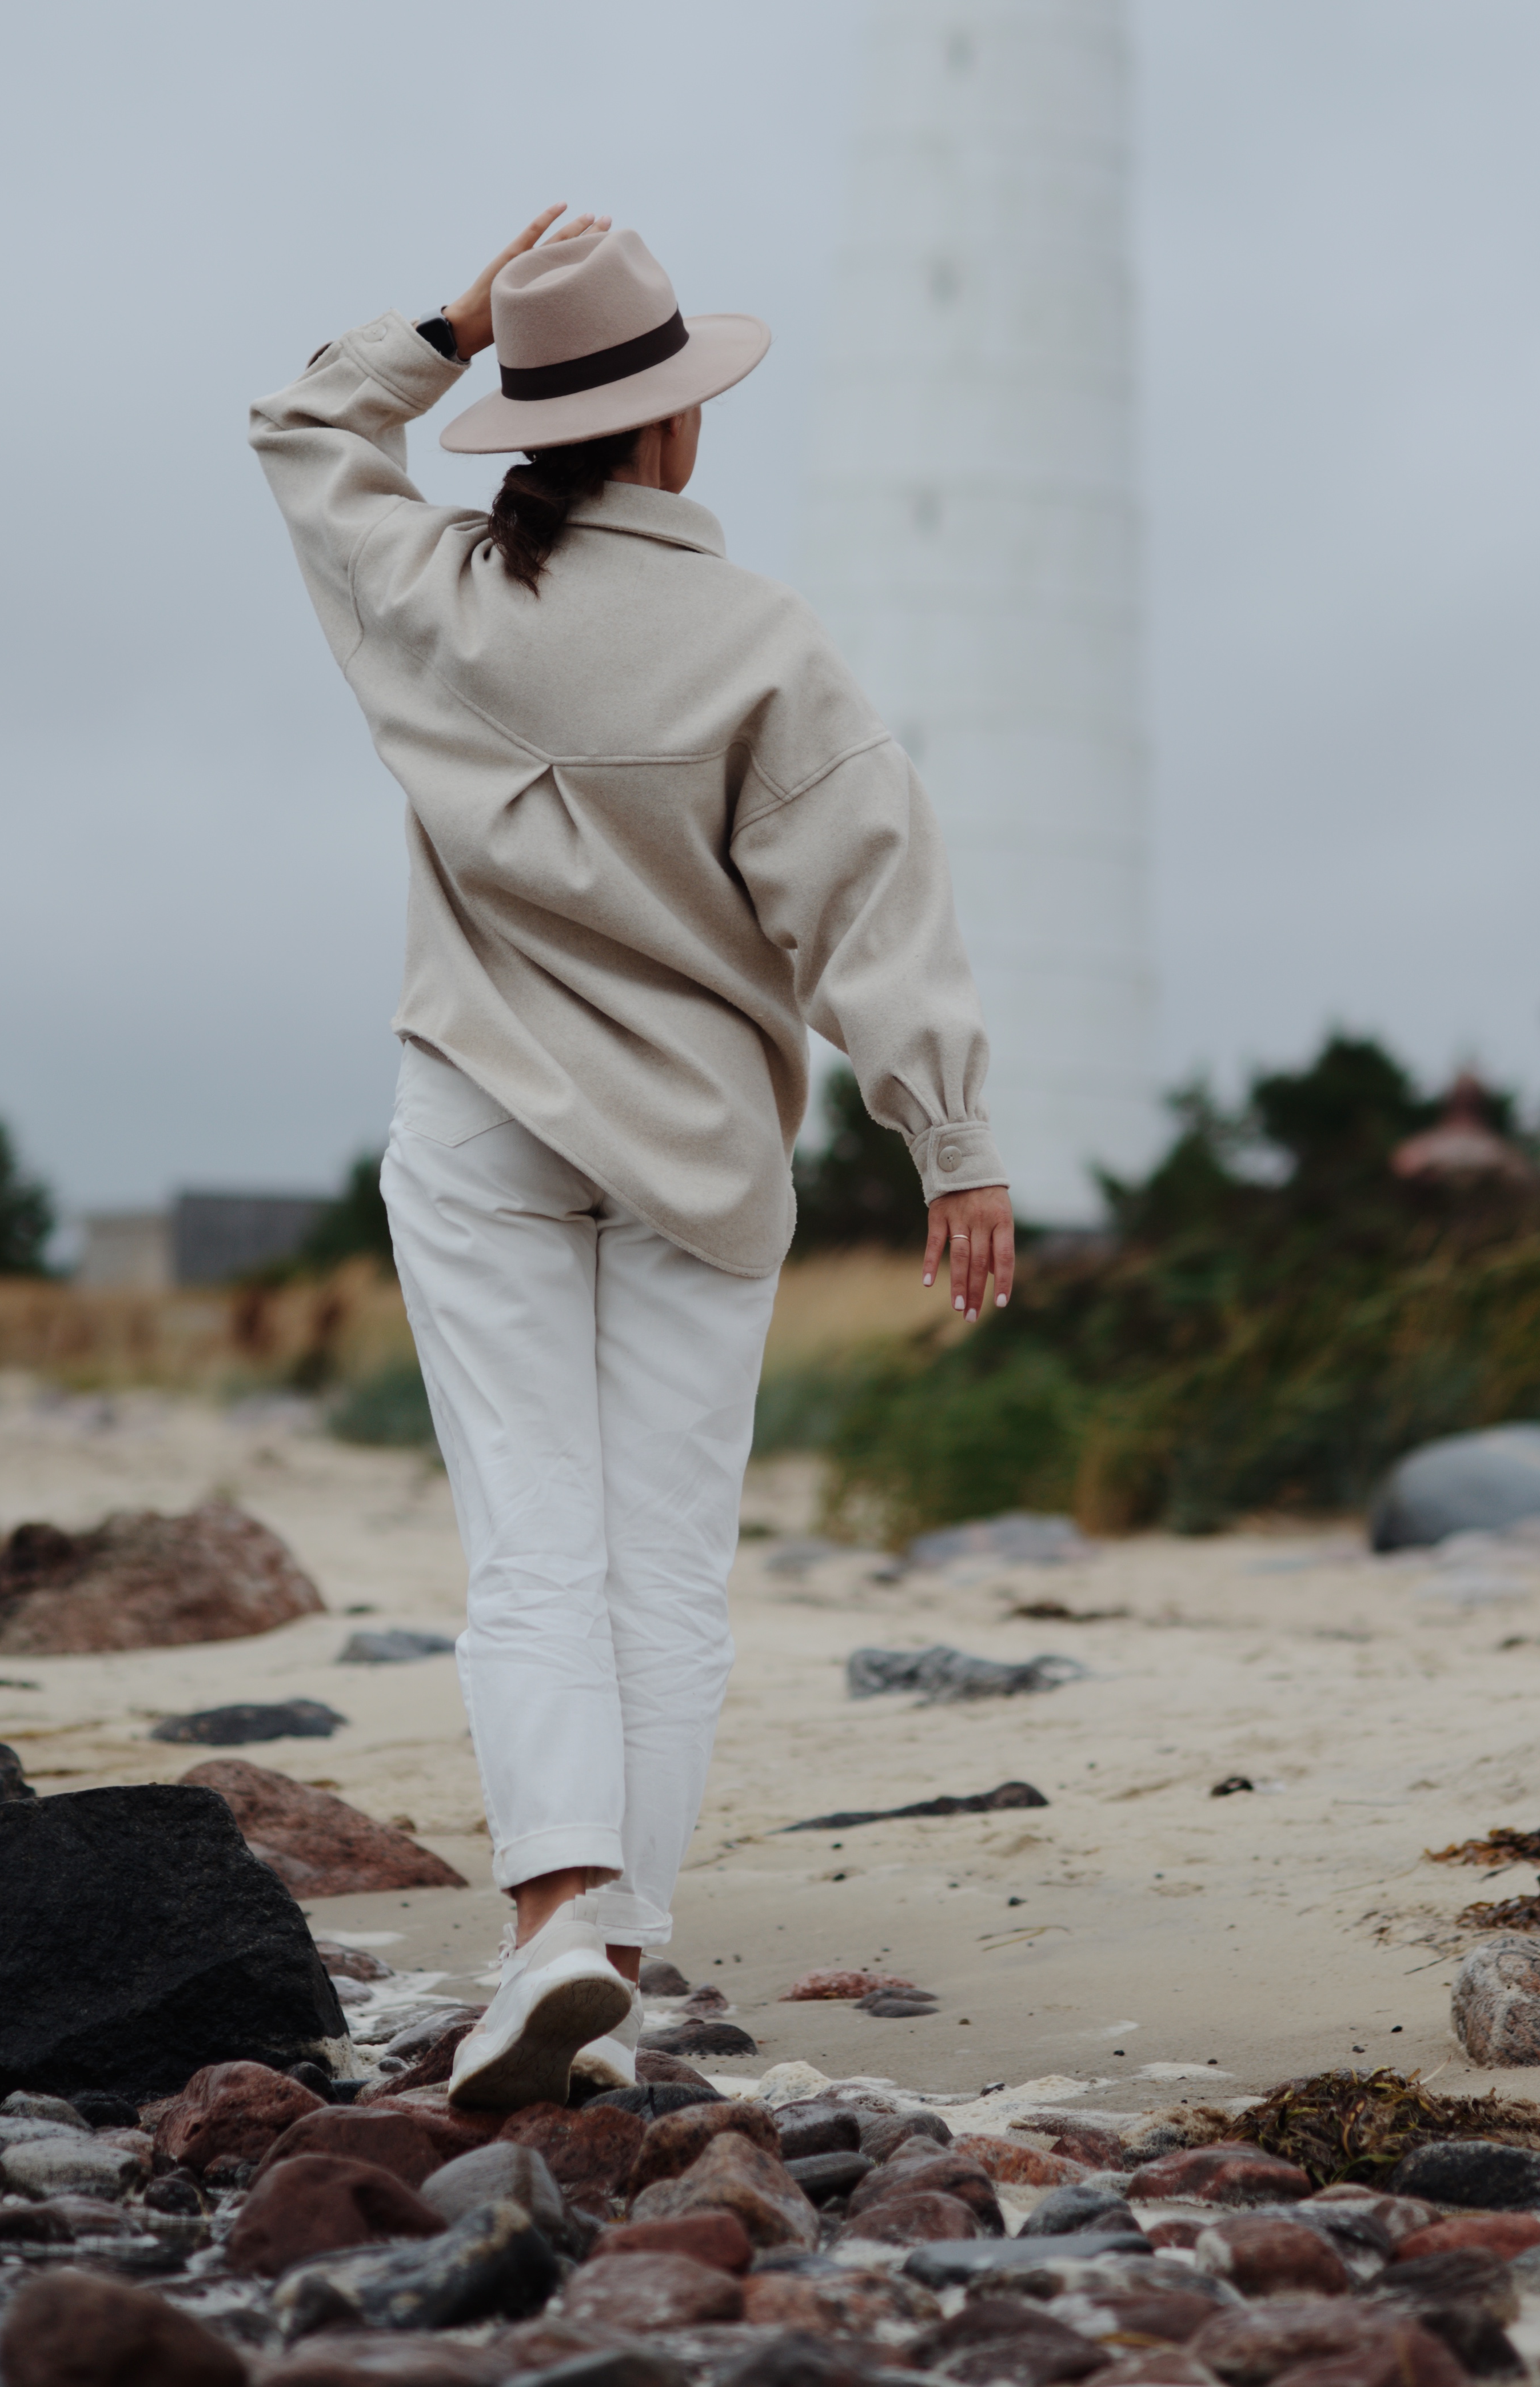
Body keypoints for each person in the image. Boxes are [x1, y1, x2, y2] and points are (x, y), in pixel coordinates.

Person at [249, 208, 1013, 2107]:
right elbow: (873, 904)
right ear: (678, 431)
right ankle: (620, 1955)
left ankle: (557, 1925)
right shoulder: (765, 644)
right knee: (665, 1572)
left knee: (532, 1551)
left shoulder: (435, 591)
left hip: (485, 1117)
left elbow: (304, 433)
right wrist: (954, 1146)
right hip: (699, 1154)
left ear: (525, 421)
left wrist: (446, 316)